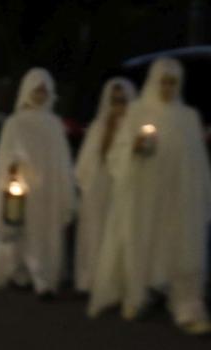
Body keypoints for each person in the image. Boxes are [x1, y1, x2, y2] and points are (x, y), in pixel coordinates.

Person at [88, 58, 211, 333]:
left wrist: (202, 194)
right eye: (163, 82)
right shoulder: (138, 112)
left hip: (178, 197)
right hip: (143, 194)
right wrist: (135, 149)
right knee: (141, 242)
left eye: (173, 82)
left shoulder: (188, 117)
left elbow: (197, 161)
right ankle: (137, 294)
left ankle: (187, 306)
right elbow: (118, 155)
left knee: (182, 246)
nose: (167, 88)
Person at [0, 67, 75, 297]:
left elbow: (62, 161)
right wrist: (12, 172)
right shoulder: (15, 123)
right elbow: (6, 156)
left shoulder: (54, 124)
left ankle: (41, 278)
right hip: (25, 189)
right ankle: (21, 273)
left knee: (44, 233)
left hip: (49, 192)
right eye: (36, 91)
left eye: (44, 91)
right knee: (22, 231)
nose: (40, 96)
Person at [73, 77, 136, 293]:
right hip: (99, 186)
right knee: (95, 232)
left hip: (124, 187)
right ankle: (90, 280)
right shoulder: (99, 126)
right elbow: (90, 160)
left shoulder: (135, 126)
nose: (119, 105)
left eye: (123, 100)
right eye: (115, 100)